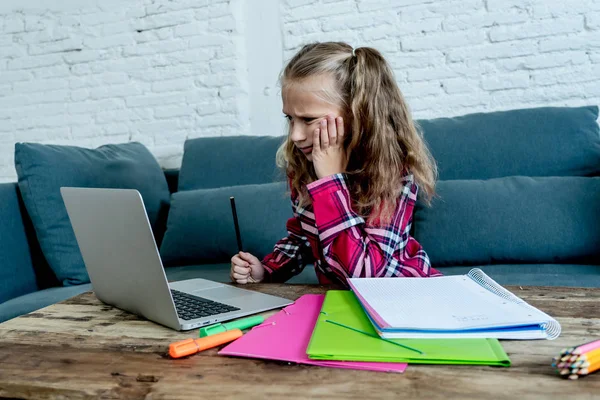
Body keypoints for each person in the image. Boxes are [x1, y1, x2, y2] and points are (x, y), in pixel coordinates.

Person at [230, 41, 442, 286]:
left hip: (404, 294)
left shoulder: (392, 172)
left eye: (309, 119)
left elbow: (366, 276)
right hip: (339, 299)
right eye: (290, 118)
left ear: (358, 114)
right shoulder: (304, 164)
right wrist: (266, 269)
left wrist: (331, 184)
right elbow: (304, 237)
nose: (295, 135)